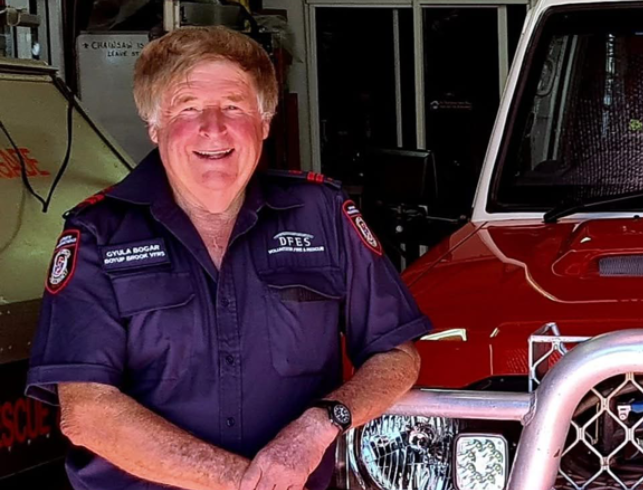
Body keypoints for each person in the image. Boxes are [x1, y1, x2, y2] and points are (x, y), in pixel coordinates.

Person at [25, 26, 432, 490]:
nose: (213, 127)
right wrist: (247, 482)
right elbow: (87, 412)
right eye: (188, 107)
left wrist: (320, 424)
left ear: (264, 121)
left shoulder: (323, 213)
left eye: (234, 107)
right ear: (154, 126)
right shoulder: (98, 233)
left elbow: (396, 354)